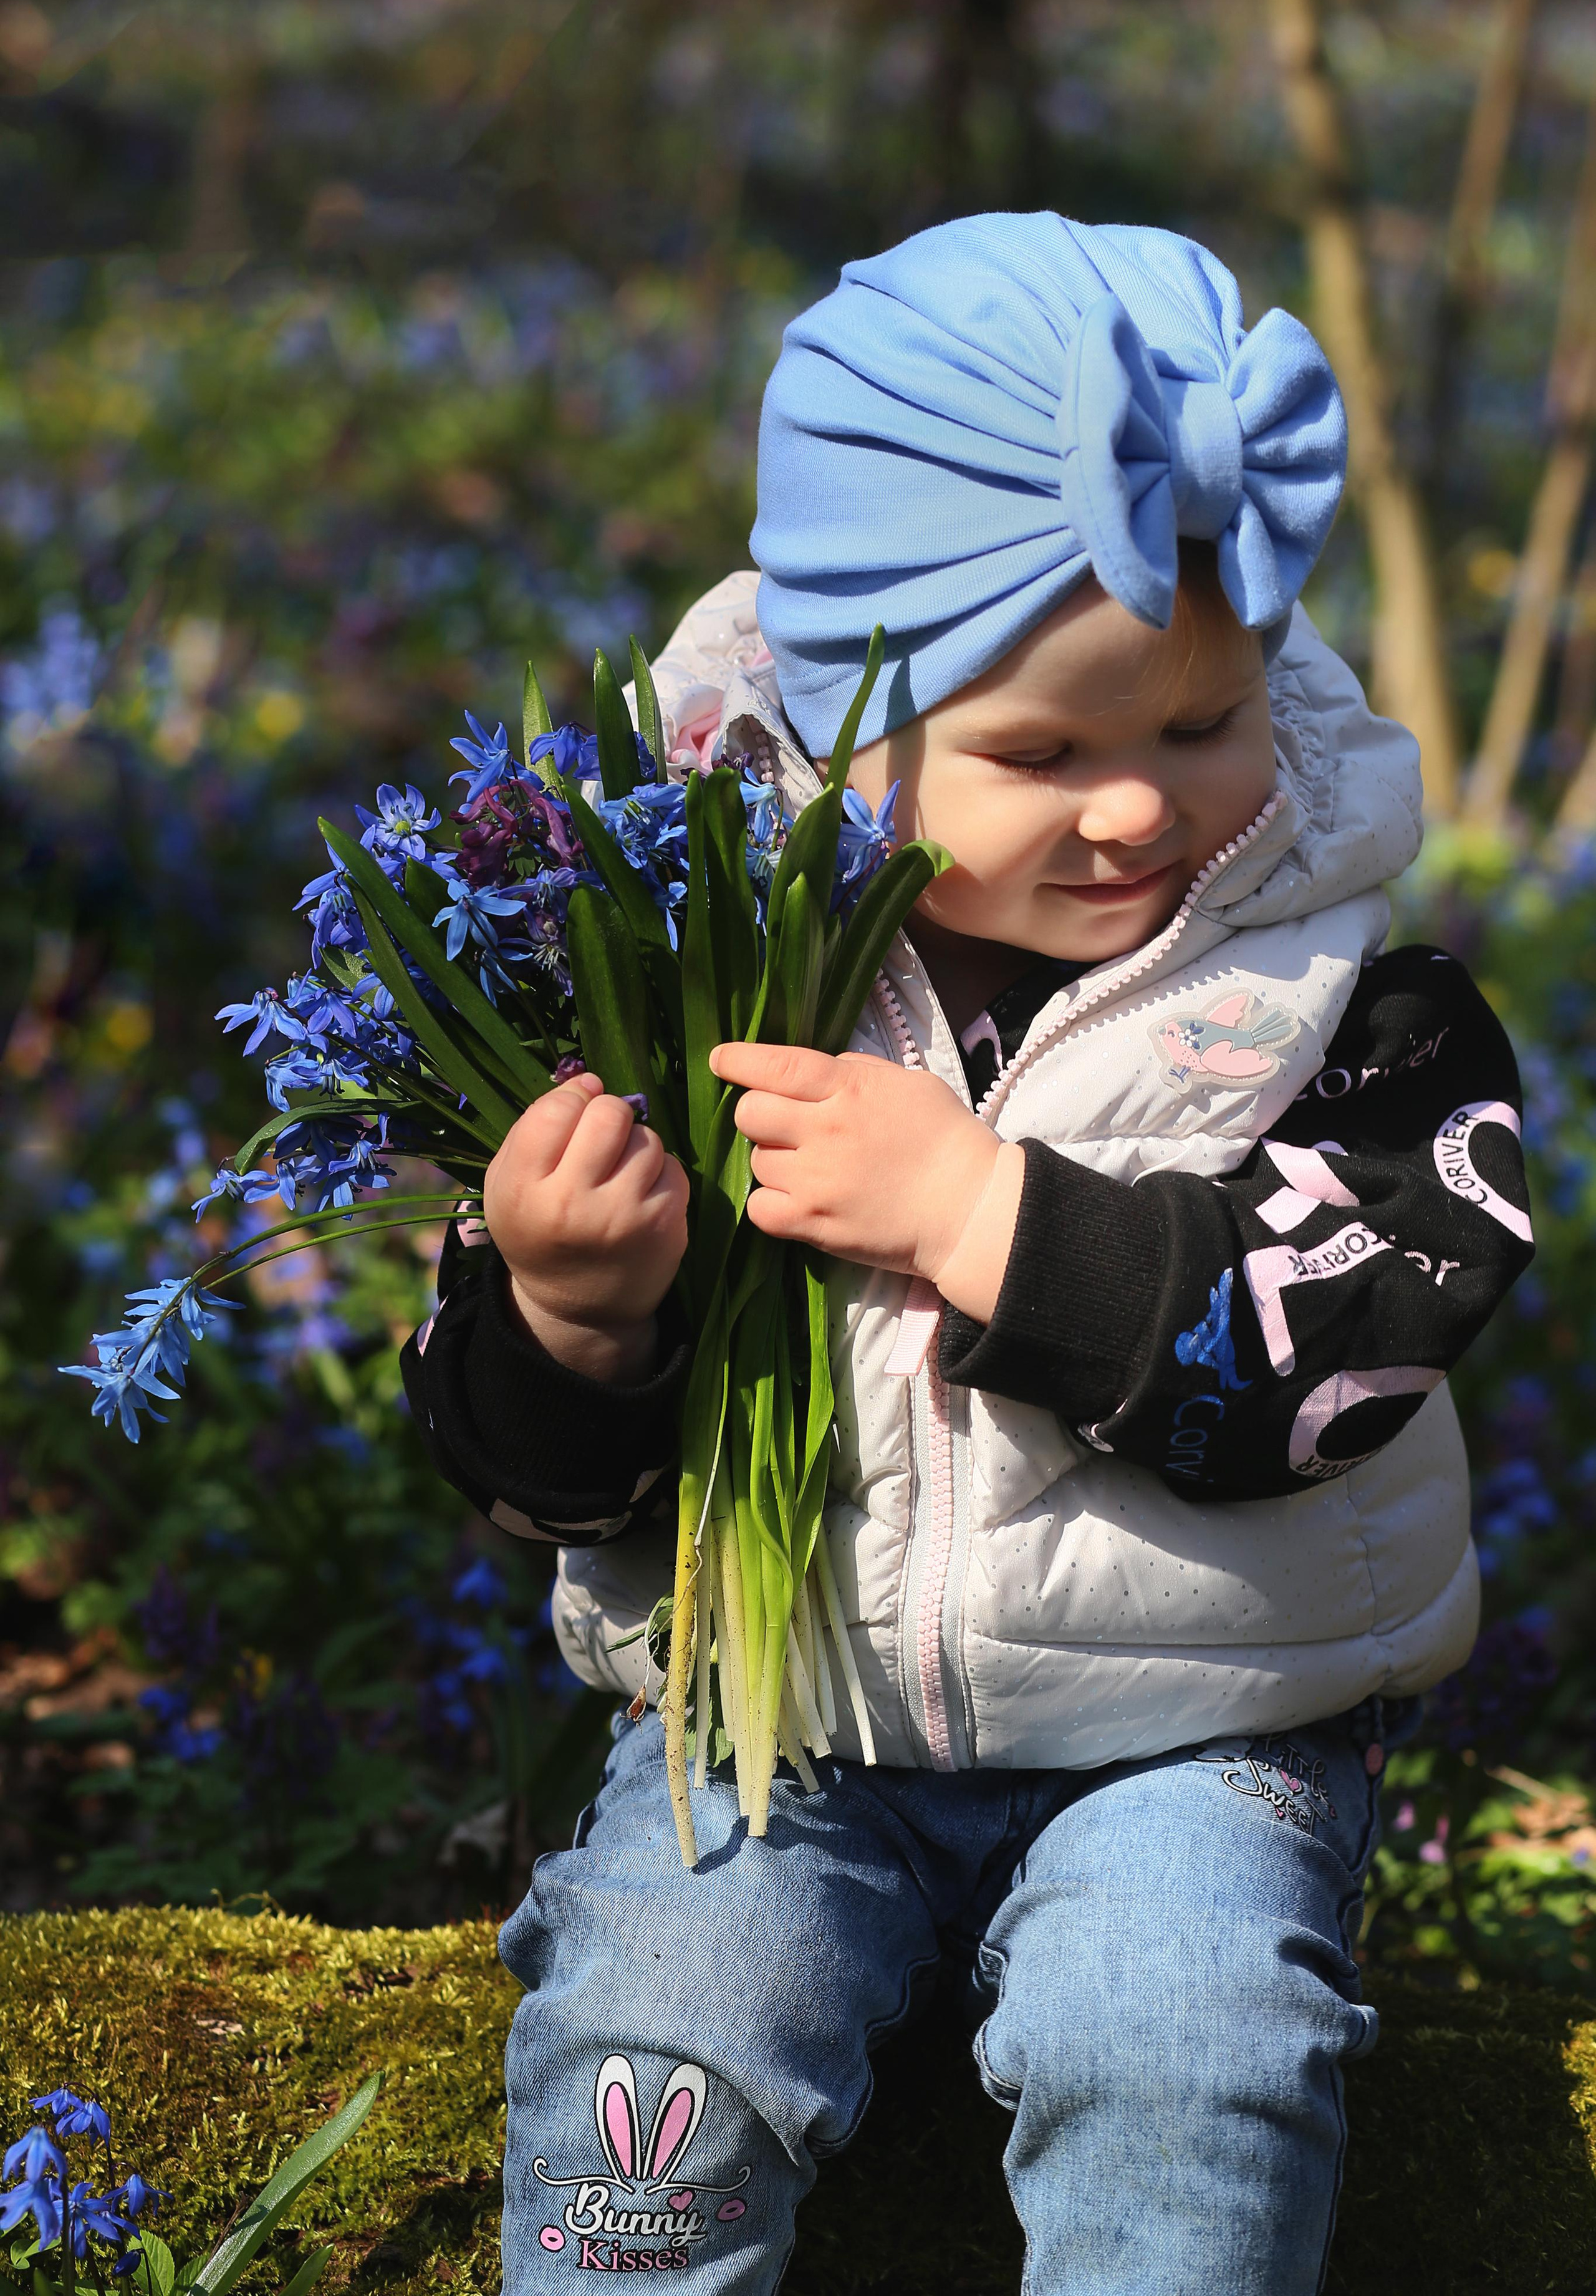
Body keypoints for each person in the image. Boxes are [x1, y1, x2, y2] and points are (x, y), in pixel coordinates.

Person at [402, 215, 1531, 2294]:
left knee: (1188, 2050)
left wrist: (982, 1219)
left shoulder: (1346, 1004)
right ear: (840, 718)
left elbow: (1352, 1351)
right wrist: (566, 1310)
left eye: (1202, 723)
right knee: (660, 2033)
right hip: (774, 1732)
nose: (1139, 811)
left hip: (1197, 1740)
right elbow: (530, 1478)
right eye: (1043, 754)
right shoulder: (679, 970)